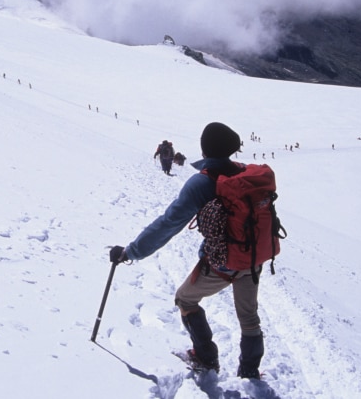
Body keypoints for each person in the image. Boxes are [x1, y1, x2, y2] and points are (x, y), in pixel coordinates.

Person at [111, 122, 265, 378]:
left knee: (185, 298)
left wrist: (130, 252)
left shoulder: (203, 183)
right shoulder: (247, 175)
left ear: (205, 150)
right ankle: (250, 373)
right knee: (249, 317)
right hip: (254, 258)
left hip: (223, 263)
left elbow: (168, 224)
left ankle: (206, 358)